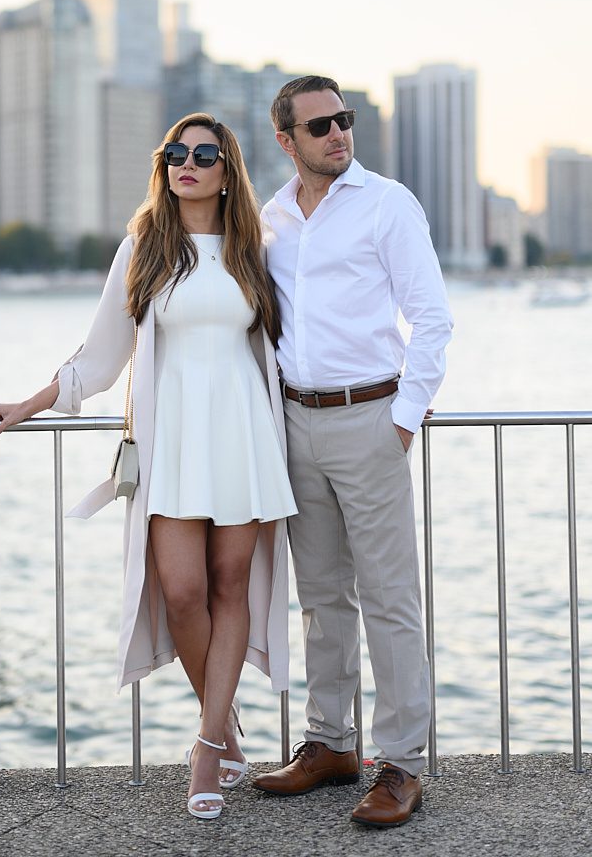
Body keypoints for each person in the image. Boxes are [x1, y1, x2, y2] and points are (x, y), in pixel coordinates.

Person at [0, 114, 298, 821]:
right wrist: (29, 402)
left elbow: (293, 345)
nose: (187, 162)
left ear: (225, 168)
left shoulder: (253, 249)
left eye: (203, 154)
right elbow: (101, 353)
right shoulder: (144, 245)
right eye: (175, 152)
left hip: (241, 437)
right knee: (180, 592)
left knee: (229, 583)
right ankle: (226, 725)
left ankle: (208, 748)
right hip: (171, 442)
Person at [252, 75, 453, 828]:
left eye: (344, 120)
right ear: (286, 140)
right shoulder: (269, 217)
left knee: (389, 600)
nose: (337, 134)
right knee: (320, 598)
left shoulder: (386, 202)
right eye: (319, 126)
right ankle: (331, 745)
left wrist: (400, 423)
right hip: (294, 424)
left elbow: (432, 320)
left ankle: (400, 762)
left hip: (370, 417)